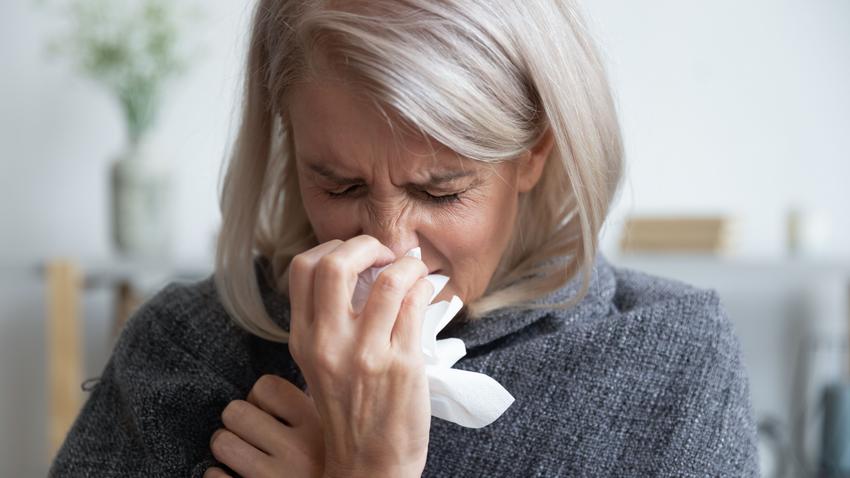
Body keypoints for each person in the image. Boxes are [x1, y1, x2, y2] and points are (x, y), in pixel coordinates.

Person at [49, 0, 760, 476]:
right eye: (339, 186)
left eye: (441, 190)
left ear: (534, 151)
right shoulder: (187, 350)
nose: (392, 251)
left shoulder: (671, 362)